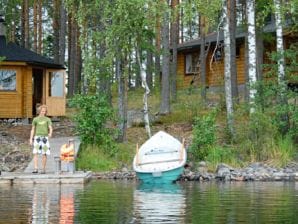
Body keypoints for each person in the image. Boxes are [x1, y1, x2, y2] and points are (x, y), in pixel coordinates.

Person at [29, 105, 53, 174]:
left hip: (45, 138)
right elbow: (32, 129)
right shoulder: (35, 119)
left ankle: (43, 169)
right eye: (42, 111)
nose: (43, 112)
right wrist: (31, 139)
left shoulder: (47, 119)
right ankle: (36, 168)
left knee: (44, 153)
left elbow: (50, 128)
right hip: (37, 138)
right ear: (39, 111)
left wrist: (50, 133)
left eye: (45, 111)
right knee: (35, 153)